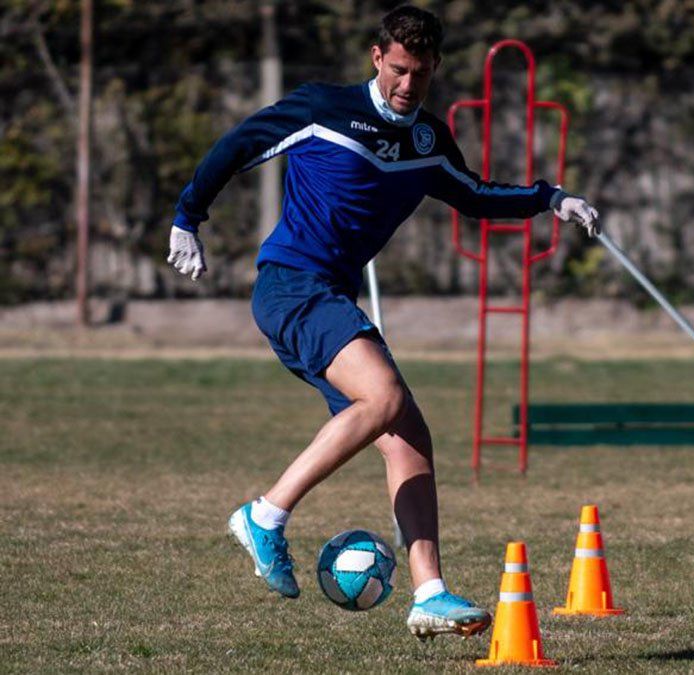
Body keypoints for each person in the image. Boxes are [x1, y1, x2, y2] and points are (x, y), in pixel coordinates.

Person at [165, 5, 598, 641]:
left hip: (329, 296)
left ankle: (430, 594)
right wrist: (186, 216)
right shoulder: (323, 108)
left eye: (419, 74)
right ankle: (265, 515)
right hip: (291, 286)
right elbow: (237, 147)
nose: (406, 85)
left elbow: (474, 195)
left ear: (434, 70)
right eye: (397, 70)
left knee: (407, 434)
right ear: (377, 58)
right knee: (386, 397)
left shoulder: (428, 141)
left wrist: (550, 198)